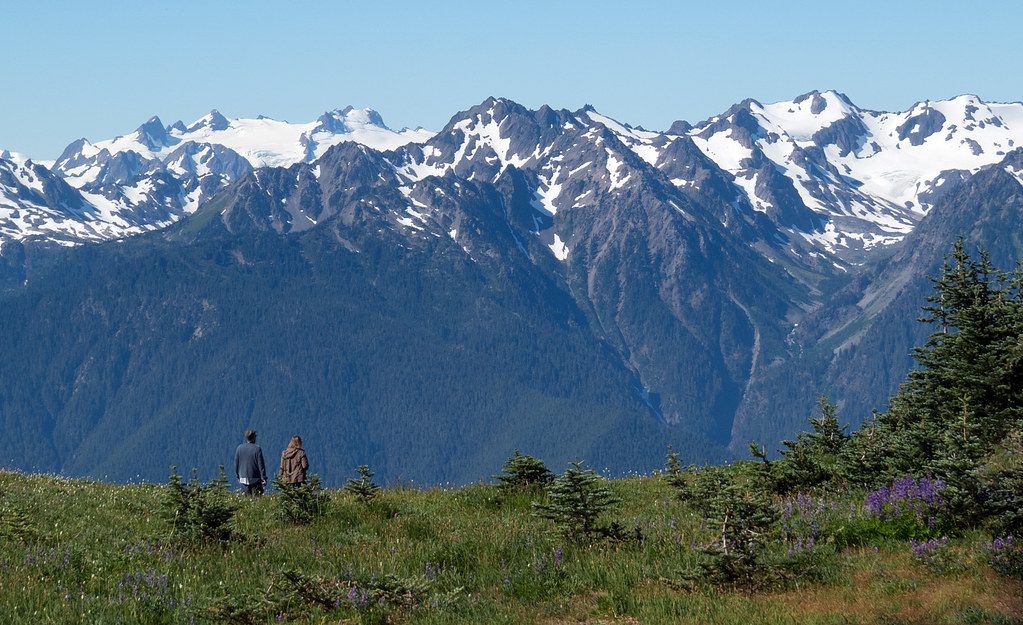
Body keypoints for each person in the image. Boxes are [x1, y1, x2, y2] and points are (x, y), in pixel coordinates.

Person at [234, 428, 267, 496]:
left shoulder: (239, 448)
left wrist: (237, 476)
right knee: (258, 498)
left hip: (243, 478)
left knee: (246, 499)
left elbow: (236, 464)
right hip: (255, 478)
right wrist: (264, 477)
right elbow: (261, 465)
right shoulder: (257, 449)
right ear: (254, 437)